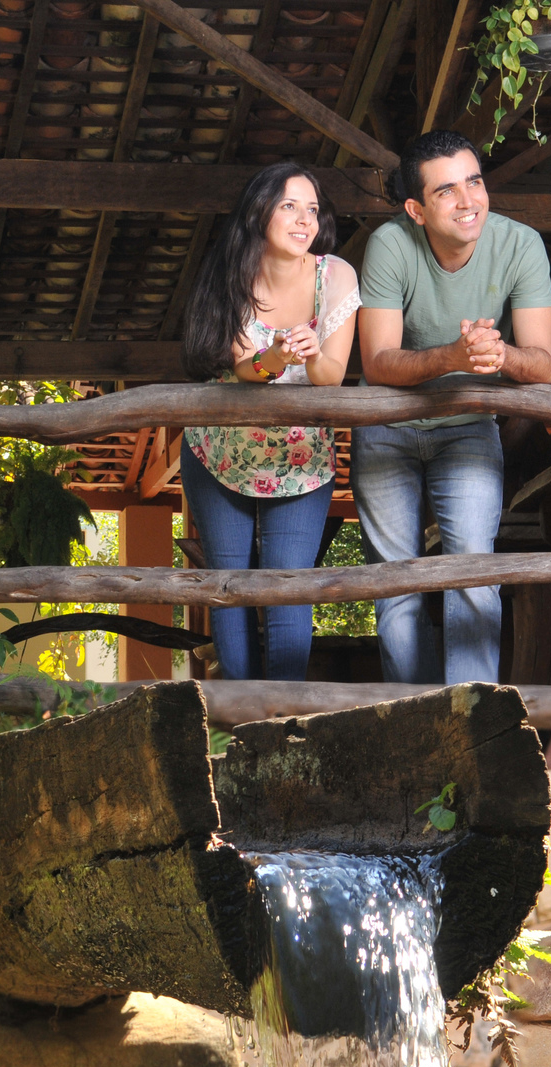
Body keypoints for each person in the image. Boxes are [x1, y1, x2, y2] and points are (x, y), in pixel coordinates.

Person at [355, 130, 551, 685]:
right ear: (416, 210)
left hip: (468, 426)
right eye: (447, 191)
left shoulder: (521, 244)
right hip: (387, 425)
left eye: (474, 181)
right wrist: (455, 355)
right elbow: (377, 362)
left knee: (473, 572)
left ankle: (474, 717)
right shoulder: (390, 244)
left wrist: (501, 354)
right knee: (394, 585)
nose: (469, 201)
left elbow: (545, 365)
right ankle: (409, 721)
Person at [179, 162, 360, 680]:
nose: (304, 219)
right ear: (260, 212)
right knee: (229, 591)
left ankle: (281, 723)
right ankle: (236, 720)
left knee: (289, 593)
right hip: (221, 452)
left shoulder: (337, 275)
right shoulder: (233, 269)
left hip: (302, 459)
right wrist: (276, 358)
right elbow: (244, 370)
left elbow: (330, 378)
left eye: (312, 209)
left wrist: (309, 355)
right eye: (288, 206)